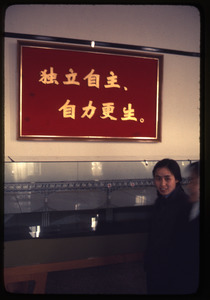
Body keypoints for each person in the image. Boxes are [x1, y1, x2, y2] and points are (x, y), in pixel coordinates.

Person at [144, 158, 192, 294]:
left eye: (167, 178)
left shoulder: (184, 205)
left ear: (177, 179)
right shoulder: (160, 201)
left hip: (172, 270)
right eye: (158, 178)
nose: (162, 184)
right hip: (156, 267)